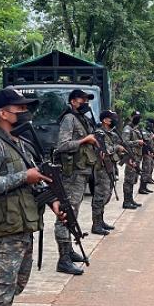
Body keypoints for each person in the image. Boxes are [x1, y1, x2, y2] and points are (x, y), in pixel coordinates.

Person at [0, 86, 65, 306]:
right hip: (1, 231)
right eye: (20, 108)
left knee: (15, 284)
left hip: (20, 227)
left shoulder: (22, 143)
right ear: (3, 113)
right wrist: (24, 176)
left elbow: (36, 179)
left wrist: (53, 201)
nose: (26, 112)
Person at [53, 89, 99, 275]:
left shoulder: (82, 119)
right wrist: (84, 140)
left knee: (74, 212)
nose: (86, 102)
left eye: (87, 100)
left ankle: (69, 251)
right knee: (66, 214)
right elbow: (62, 146)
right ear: (73, 101)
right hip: (71, 175)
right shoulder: (69, 119)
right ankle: (63, 260)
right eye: (82, 99)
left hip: (81, 173)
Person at [90, 110, 125, 235]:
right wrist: (116, 148)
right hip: (101, 168)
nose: (114, 121)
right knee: (100, 196)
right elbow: (104, 150)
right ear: (105, 120)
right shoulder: (99, 133)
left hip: (109, 167)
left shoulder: (110, 134)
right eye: (111, 118)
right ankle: (96, 224)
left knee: (107, 195)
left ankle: (101, 221)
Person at [121, 111, 145, 209]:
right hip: (130, 157)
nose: (137, 119)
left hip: (136, 157)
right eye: (136, 117)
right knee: (128, 180)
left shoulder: (135, 129)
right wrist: (137, 142)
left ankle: (130, 200)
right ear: (131, 117)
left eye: (139, 117)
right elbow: (125, 142)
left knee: (133, 179)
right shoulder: (127, 129)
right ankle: (126, 201)